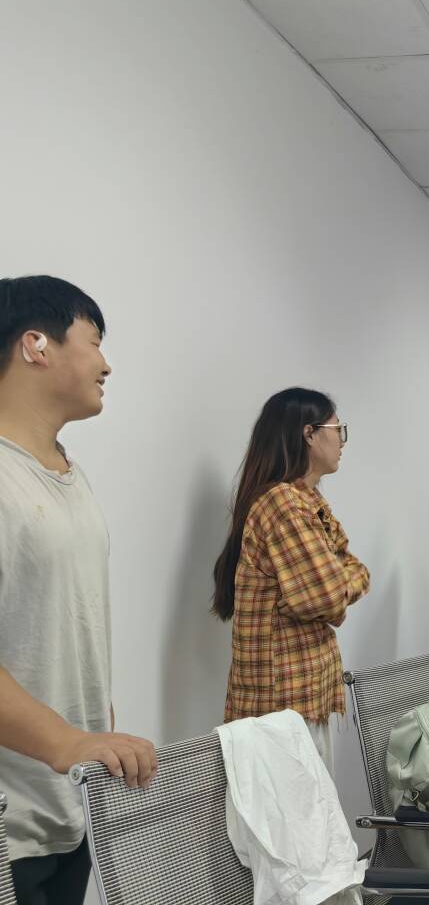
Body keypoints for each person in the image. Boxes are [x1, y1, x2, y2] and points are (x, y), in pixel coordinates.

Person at [0, 276, 156, 905]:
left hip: (71, 803)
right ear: (36, 345)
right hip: (11, 826)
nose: (106, 365)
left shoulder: (68, 474)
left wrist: (93, 734)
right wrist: (68, 741)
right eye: (93, 342)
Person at [213, 387, 369, 771]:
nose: (342, 440)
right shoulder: (283, 504)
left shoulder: (308, 501)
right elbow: (327, 597)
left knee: (314, 807)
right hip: (281, 707)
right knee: (300, 810)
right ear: (309, 434)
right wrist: (334, 585)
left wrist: (331, 584)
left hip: (299, 700)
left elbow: (355, 568)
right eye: (337, 429)